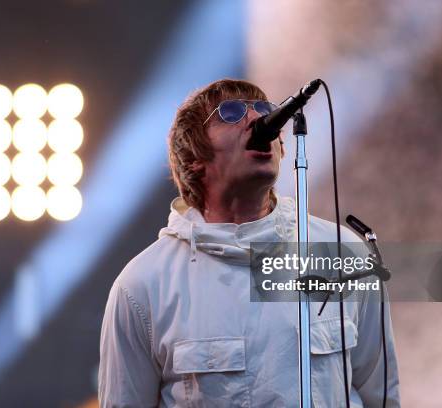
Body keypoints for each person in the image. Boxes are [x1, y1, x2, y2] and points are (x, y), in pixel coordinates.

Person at [99, 79, 400, 407]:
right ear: (194, 158)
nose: (257, 120)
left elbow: (380, 395)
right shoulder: (144, 285)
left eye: (264, 110)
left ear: (283, 149)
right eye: (230, 113)